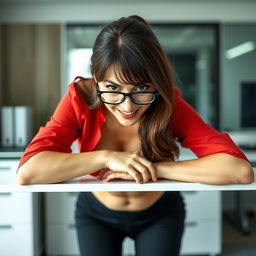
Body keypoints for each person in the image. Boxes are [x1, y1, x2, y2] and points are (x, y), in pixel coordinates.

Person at [17, 15, 253, 256]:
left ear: (156, 82)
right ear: (96, 79)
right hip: (96, 213)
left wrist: (156, 169)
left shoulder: (169, 102)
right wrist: (106, 158)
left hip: (160, 213)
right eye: (112, 88)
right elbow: (29, 172)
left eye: (141, 89)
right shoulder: (79, 99)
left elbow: (239, 171)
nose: (127, 108)